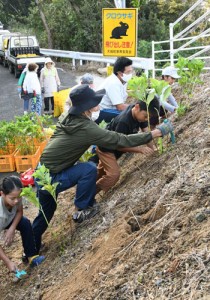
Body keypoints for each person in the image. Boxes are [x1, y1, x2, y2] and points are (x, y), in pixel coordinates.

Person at [32, 84, 173, 253]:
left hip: (42, 170)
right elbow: (119, 140)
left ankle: (31, 250)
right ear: (86, 107)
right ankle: (81, 211)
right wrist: (154, 134)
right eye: (94, 101)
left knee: (46, 212)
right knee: (89, 169)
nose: (98, 103)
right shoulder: (86, 127)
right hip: (51, 175)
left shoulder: (70, 119)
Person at [96, 98, 159, 193]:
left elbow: (146, 133)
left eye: (148, 118)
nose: (146, 119)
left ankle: (89, 187)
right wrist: (140, 149)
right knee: (114, 175)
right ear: (137, 107)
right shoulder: (124, 122)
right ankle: (90, 193)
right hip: (106, 148)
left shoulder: (139, 113)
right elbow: (119, 145)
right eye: (145, 116)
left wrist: (153, 148)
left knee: (102, 172)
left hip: (114, 148)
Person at [0, 176, 45, 273]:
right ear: (2, 194)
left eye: (19, 197)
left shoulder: (16, 198)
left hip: (7, 221)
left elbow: (19, 212)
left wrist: (12, 228)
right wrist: (8, 262)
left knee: (25, 223)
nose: (16, 201)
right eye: (12, 198)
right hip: (2, 220)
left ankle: (31, 257)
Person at [95, 57, 133, 124]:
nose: (130, 74)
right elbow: (120, 107)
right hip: (101, 112)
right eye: (128, 72)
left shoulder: (123, 80)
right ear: (120, 73)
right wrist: (136, 107)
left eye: (131, 71)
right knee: (131, 115)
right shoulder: (113, 83)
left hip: (110, 109)